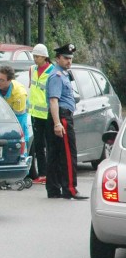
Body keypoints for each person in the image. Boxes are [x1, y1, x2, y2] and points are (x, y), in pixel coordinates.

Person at [45, 43, 87, 200]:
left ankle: (54, 189)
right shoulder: (57, 76)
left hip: (60, 115)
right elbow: (54, 101)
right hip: (61, 116)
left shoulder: (63, 74)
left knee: (55, 154)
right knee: (69, 153)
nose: (69, 61)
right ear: (57, 58)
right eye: (66, 58)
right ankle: (70, 189)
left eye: (70, 58)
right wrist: (57, 123)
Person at [28, 44, 55, 184]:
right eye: (34, 56)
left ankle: (51, 173)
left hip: (48, 114)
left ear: (45, 57)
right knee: (38, 145)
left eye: (37, 56)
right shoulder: (32, 69)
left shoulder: (52, 71)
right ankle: (42, 174)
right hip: (35, 113)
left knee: (50, 145)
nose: (35, 59)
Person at [0, 65, 29, 146]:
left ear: (10, 80)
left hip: (18, 117)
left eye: (1, 80)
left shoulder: (19, 94)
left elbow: (19, 120)